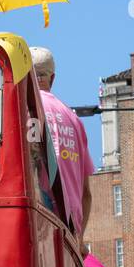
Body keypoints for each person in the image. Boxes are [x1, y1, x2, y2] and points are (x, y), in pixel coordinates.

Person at [29, 46, 95, 237]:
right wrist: (79, 239)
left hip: (40, 221)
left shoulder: (24, 109)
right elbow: (86, 194)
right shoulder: (74, 120)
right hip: (69, 230)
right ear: (53, 78)